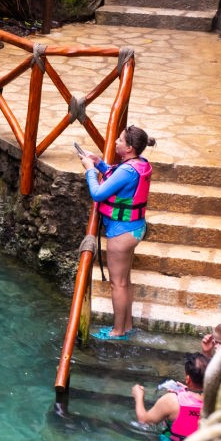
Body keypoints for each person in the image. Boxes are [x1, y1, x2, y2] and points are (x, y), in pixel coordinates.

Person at [79, 124, 156, 340]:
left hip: (122, 233)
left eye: (120, 140)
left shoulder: (127, 170)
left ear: (129, 148)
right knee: (125, 281)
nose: (115, 142)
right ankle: (127, 326)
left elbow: (97, 193)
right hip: (135, 227)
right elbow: (117, 180)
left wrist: (89, 170)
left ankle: (117, 331)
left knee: (118, 284)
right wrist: (99, 163)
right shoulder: (139, 164)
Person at [132, 353, 207, 441]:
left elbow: (144, 420)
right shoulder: (218, 401)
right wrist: (188, 391)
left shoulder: (172, 401)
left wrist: (139, 397)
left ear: (188, 379)